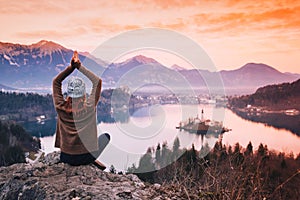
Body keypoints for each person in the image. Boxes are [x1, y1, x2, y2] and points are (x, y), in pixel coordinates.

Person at [52, 51, 109, 169]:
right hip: (85, 157)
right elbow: (97, 82)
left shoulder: (60, 107)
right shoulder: (89, 107)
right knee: (106, 137)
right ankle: (92, 160)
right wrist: (79, 67)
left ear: (69, 93)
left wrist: (71, 68)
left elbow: (56, 82)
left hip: (66, 157)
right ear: (83, 93)